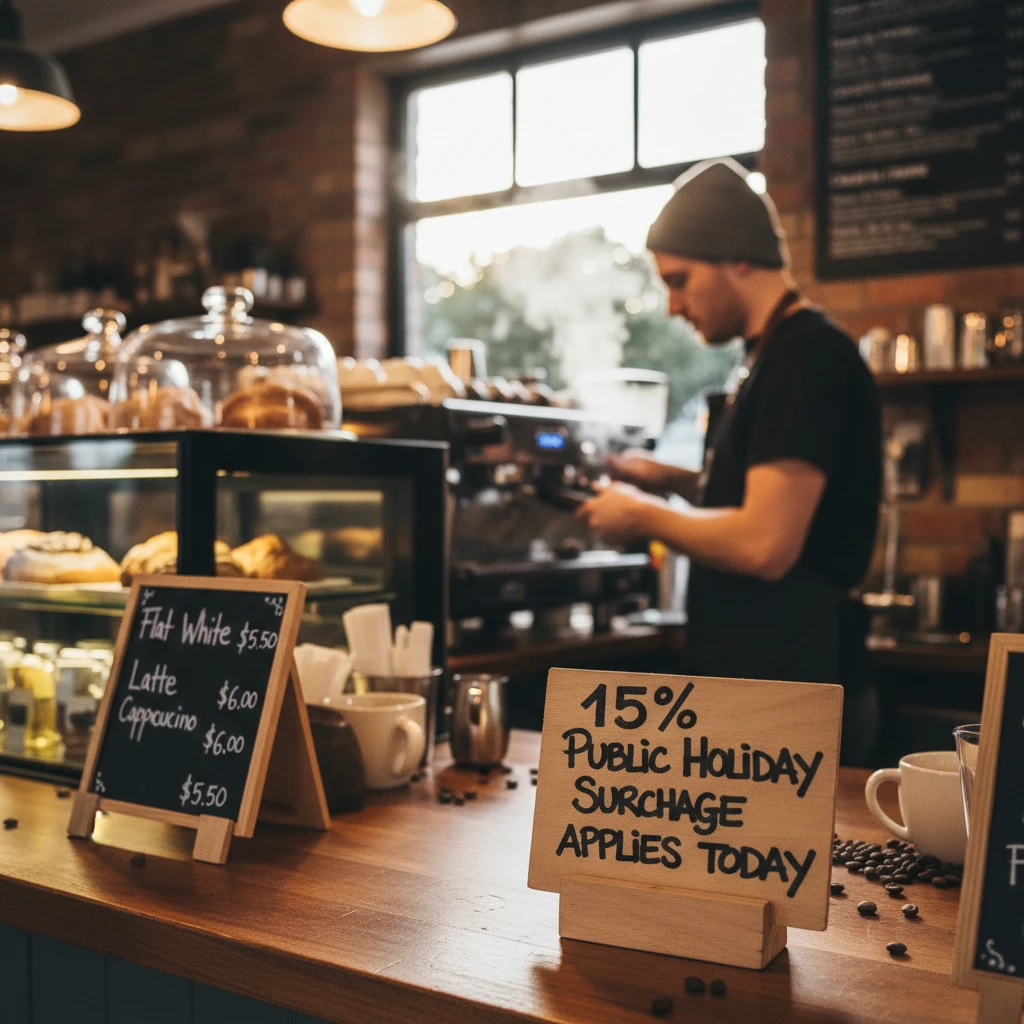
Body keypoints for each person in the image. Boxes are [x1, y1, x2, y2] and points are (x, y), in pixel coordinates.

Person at [577, 158, 882, 764]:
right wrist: (672, 481)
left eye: (680, 279)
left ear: (738, 260)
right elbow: (762, 498)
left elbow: (765, 543)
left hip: (796, 686)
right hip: (767, 679)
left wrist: (641, 514)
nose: (671, 305)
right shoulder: (769, 354)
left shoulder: (807, 358)